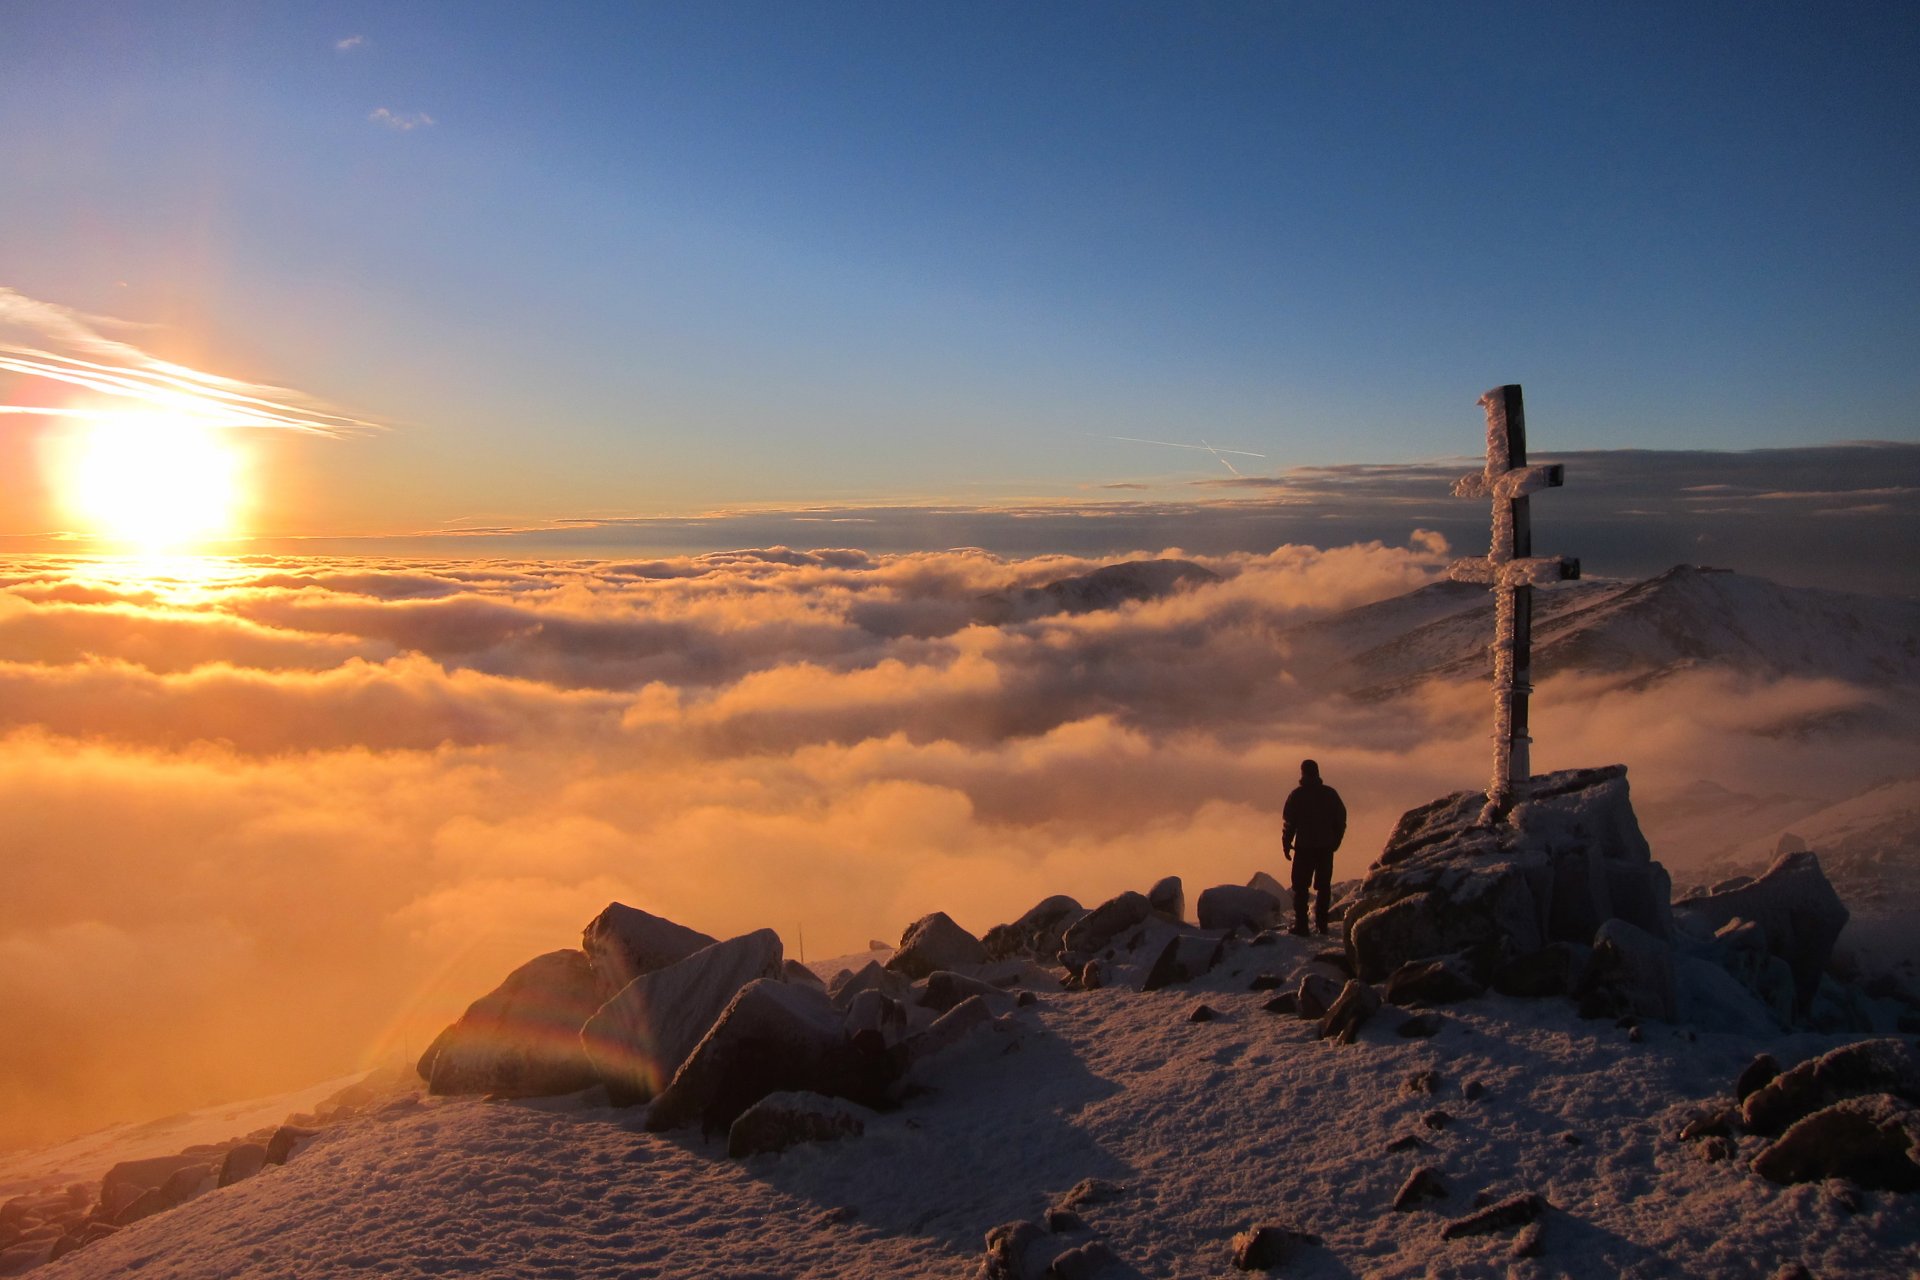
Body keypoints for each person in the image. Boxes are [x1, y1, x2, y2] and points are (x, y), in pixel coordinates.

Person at [1282, 758, 1346, 936]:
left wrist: (1286, 844)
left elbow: (1289, 823)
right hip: (1325, 848)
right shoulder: (1330, 794)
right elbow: (1340, 820)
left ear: (1302, 773)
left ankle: (1302, 926)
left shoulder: (1297, 795)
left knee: (1301, 887)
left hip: (1304, 848)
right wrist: (1335, 842)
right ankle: (1322, 925)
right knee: (1323, 886)